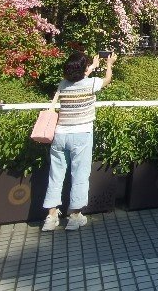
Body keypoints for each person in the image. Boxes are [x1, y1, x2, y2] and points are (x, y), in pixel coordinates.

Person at [42, 50, 116, 231]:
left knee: (55, 176)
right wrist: (109, 64)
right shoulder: (91, 84)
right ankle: (75, 216)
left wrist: (92, 67)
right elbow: (107, 80)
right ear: (83, 68)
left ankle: (51, 217)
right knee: (80, 175)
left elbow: (78, 78)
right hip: (81, 134)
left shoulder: (63, 84)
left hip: (60, 135)